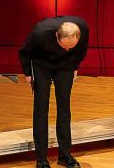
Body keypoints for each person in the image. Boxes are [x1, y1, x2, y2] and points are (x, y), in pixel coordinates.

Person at [19, 16, 89, 168]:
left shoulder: (82, 28)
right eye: (64, 46)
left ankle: (64, 154)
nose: (67, 49)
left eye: (71, 47)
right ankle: (41, 158)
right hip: (41, 65)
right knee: (41, 109)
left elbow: (82, 49)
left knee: (64, 108)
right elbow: (24, 52)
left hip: (65, 66)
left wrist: (75, 66)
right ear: (57, 36)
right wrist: (28, 74)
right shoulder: (40, 32)